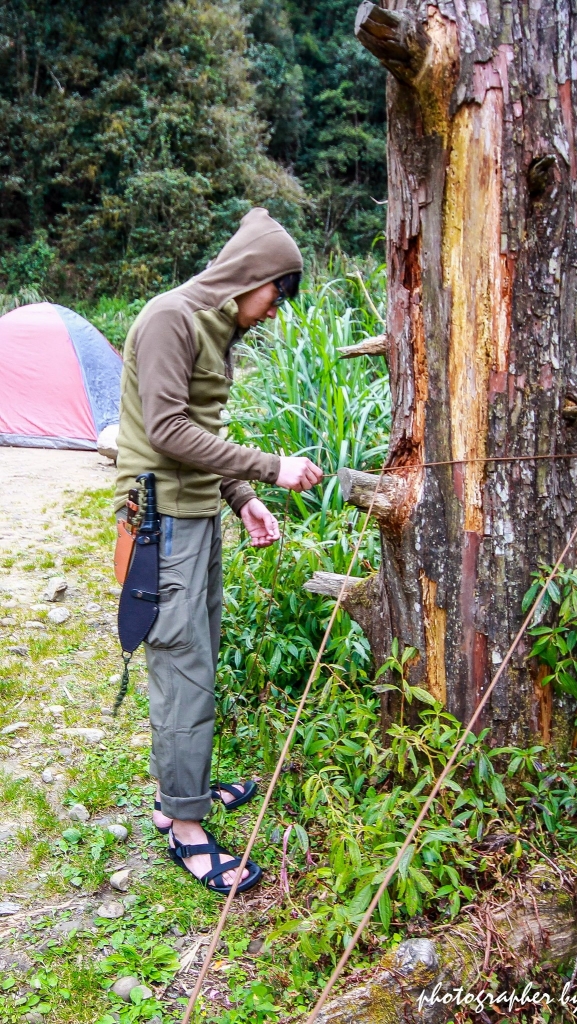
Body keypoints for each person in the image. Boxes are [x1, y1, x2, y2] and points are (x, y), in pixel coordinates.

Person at [114, 207, 323, 895]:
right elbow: (169, 428)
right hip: (163, 522)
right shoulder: (171, 318)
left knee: (196, 655)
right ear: (251, 277)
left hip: (197, 513)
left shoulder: (215, 326)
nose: (273, 311)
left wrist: (243, 497)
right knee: (180, 665)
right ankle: (185, 828)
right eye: (275, 295)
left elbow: (200, 433)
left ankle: (183, 791)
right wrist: (272, 468)